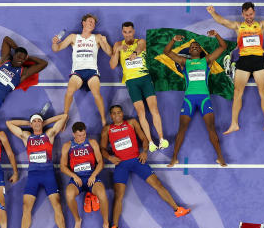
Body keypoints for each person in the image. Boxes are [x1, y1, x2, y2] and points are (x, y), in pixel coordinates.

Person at [100, 104, 190, 228]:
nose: (117, 115)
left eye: (119, 112)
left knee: (157, 184)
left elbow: (144, 139)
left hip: (137, 161)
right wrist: (109, 157)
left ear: (122, 113)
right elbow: (102, 149)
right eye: (114, 113)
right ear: (111, 116)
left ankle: (177, 209)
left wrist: (145, 152)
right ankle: (115, 227)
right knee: (119, 195)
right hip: (121, 165)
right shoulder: (107, 129)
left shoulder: (132, 123)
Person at [206, 1, 264, 134]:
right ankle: (234, 124)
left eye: (251, 14)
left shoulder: (260, 26)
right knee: (237, 92)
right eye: (246, 15)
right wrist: (213, 12)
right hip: (243, 61)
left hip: (258, 61)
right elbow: (223, 22)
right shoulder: (238, 26)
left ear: (254, 13)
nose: (249, 17)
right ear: (242, 14)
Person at [5, 113, 76, 228]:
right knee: (26, 207)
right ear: (31, 124)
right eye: (35, 121)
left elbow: (65, 116)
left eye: (39, 121)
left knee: (57, 205)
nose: (37, 123)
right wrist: (29, 123)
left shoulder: (49, 135)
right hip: (33, 176)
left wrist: (44, 122)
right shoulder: (27, 136)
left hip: (48, 174)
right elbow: (9, 123)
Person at [162, 31, 228, 167]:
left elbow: (223, 47)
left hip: (204, 99)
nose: (195, 47)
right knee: (182, 128)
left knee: (211, 128)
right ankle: (174, 158)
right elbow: (166, 52)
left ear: (201, 50)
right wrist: (173, 39)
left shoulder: (207, 60)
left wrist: (216, 34)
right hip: (189, 100)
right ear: (189, 51)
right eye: (192, 47)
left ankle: (220, 157)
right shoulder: (184, 62)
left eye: (197, 46)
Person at [108, 21, 169, 152]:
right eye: (125, 32)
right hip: (131, 82)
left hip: (145, 79)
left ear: (133, 31)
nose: (128, 34)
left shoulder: (140, 41)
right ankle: (151, 142)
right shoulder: (118, 44)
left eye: (130, 32)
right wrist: (117, 51)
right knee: (141, 112)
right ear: (122, 32)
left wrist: (134, 54)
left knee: (154, 109)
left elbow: (141, 47)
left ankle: (161, 139)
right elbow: (112, 65)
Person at [52, 14, 113, 126]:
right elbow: (56, 49)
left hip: (92, 72)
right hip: (77, 72)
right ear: (83, 23)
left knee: (96, 92)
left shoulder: (97, 37)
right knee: (69, 91)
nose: (92, 24)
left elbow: (110, 53)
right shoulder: (73, 37)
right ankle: (65, 116)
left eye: (93, 23)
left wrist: (105, 42)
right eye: (90, 21)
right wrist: (55, 43)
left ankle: (103, 120)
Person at [60, 121, 110, 228]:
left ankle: (105, 224)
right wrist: (74, 176)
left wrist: (93, 175)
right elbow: (63, 167)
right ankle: (78, 220)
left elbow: (100, 162)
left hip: (91, 176)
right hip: (77, 179)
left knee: (102, 194)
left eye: (84, 135)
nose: (82, 138)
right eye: (79, 136)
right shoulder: (67, 146)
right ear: (73, 135)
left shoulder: (92, 143)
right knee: (69, 195)